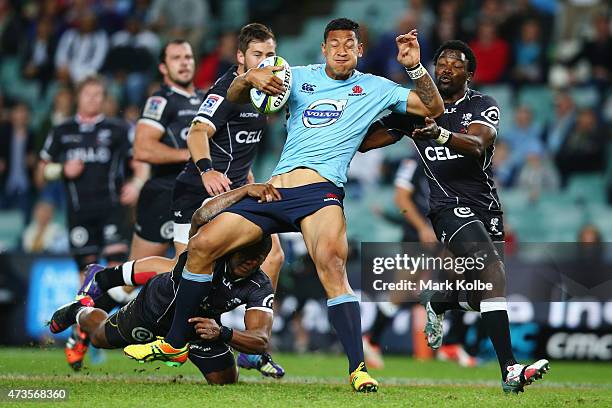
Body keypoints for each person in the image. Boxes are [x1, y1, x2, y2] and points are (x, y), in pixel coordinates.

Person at [124, 18, 444, 393]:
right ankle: (176, 343)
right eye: (334, 43)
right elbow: (239, 97)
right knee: (202, 246)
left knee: (332, 264)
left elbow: (431, 106)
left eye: (349, 44)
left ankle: (358, 368)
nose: (342, 49)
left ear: (360, 50)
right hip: (274, 189)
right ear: (323, 49)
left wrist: (414, 67)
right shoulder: (295, 76)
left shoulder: (377, 87)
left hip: (321, 192)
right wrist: (248, 79)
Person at [83, 24, 286, 378]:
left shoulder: (264, 93)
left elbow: (240, 146)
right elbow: (197, 131)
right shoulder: (229, 89)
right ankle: (109, 276)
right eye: (256, 56)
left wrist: (247, 176)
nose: (264, 62)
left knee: (275, 254)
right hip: (199, 189)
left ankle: (252, 349)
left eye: (270, 55)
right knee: (185, 267)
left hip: (237, 188)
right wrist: (206, 169)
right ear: (240, 58)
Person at [363, 40, 550, 393]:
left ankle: (439, 299)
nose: (447, 68)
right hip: (446, 206)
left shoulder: (483, 105)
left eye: (456, 63)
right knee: (491, 274)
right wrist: (360, 110)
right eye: (442, 62)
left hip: (486, 206)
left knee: (485, 291)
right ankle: (510, 371)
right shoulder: (417, 110)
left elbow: (478, 143)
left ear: (470, 73)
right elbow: (367, 141)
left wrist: (441, 133)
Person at [49, 184, 280, 384]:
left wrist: (222, 333)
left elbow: (261, 338)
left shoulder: (259, 285)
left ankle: (109, 279)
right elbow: (200, 216)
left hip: (199, 326)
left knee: (226, 380)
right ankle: (78, 311)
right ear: (233, 248)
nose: (252, 262)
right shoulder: (207, 251)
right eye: (247, 255)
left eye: (259, 258)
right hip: (156, 308)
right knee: (99, 338)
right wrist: (245, 190)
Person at [38, 75, 147, 370]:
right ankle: (82, 329)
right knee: (85, 276)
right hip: (79, 213)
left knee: (113, 273)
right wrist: (61, 169)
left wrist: (136, 183)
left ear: (104, 99)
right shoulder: (62, 131)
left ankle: (89, 332)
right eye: (89, 94)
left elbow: (138, 162)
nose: (94, 99)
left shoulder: (117, 128)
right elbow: (41, 170)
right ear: (78, 96)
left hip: (112, 210)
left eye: (99, 95)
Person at [129, 39, 205, 265]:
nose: (184, 63)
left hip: (199, 193)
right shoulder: (161, 101)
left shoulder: (206, 99)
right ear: (163, 67)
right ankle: (97, 290)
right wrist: (192, 156)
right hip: (165, 193)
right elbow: (142, 148)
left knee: (194, 267)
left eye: (188, 57)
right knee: (133, 278)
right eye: (176, 58)